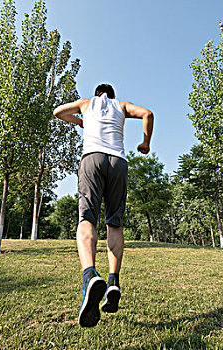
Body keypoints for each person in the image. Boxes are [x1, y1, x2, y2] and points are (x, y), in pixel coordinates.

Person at [53, 83, 154, 327]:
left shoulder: (86, 103)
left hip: (92, 159)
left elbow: (57, 112)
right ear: (112, 95)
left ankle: (89, 275)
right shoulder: (121, 105)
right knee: (114, 223)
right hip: (117, 162)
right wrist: (145, 142)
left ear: (97, 93)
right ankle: (113, 282)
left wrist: (81, 121)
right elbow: (148, 114)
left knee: (87, 219)